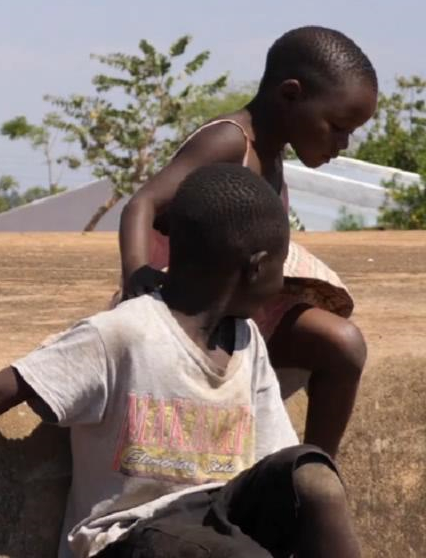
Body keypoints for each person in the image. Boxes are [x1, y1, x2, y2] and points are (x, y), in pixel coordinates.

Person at [0, 164, 363, 558]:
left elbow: (274, 461)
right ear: (255, 265)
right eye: (281, 263)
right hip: (131, 540)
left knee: (311, 476)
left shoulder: (245, 342)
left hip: (214, 522)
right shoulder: (125, 335)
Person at [119, 27, 377, 456]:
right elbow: (142, 204)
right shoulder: (228, 141)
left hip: (246, 308)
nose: (342, 143)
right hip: (191, 308)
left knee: (343, 346)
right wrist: (137, 279)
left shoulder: (273, 154)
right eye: (336, 127)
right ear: (291, 95)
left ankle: (313, 474)